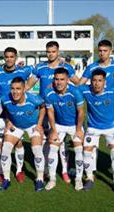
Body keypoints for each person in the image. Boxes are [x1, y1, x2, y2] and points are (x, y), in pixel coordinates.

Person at [26, 41, 80, 183]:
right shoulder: (40, 67)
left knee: (61, 143)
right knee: (45, 140)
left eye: (53, 51)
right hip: (45, 109)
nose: (50, 54)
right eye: (48, 52)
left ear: (58, 52)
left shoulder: (66, 67)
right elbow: (28, 85)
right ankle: (44, 170)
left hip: (62, 110)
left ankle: (64, 171)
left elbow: (78, 83)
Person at [0, 47, 33, 183]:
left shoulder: (23, 71)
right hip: (0, 113)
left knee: (18, 142)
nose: (9, 59)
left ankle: (19, 170)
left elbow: (35, 76)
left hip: (15, 113)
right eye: (6, 57)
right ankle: (2, 171)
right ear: (4, 57)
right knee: (0, 144)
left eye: (11, 56)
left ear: (16, 57)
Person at [79, 68, 114, 192]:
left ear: (105, 82)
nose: (96, 83)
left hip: (111, 127)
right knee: (87, 150)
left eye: (100, 80)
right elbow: (71, 88)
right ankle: (89, 178)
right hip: (93, 127)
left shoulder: (113, 90)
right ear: (90, 81)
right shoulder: (85, 91)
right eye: (94, 80)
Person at [0, 77, 45, 192]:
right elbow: (5, 109)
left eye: (18, 89)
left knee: (36, 149)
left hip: (32, 126)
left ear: (24, 88)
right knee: (5, 150)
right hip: (16, 126)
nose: (15, 92)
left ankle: (39, 179)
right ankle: (6, 179)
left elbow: (43, 107)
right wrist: (8, 121)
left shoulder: (34, 99)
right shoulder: (5, 99)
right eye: (13, 89)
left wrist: (39, 124)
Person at [44, 68, 84, 191]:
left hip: (74, 125)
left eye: (62, 79)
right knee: (52, 149)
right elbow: (50, 112)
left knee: (78, 149)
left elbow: (81, 112)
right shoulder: (49, 93)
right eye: (56, 79)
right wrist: (54, 130)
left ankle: (78, 179)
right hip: (59, 125)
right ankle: (52, 179)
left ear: (67, 80)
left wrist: (78, 130)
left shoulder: (75, 92)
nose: (59, 82)